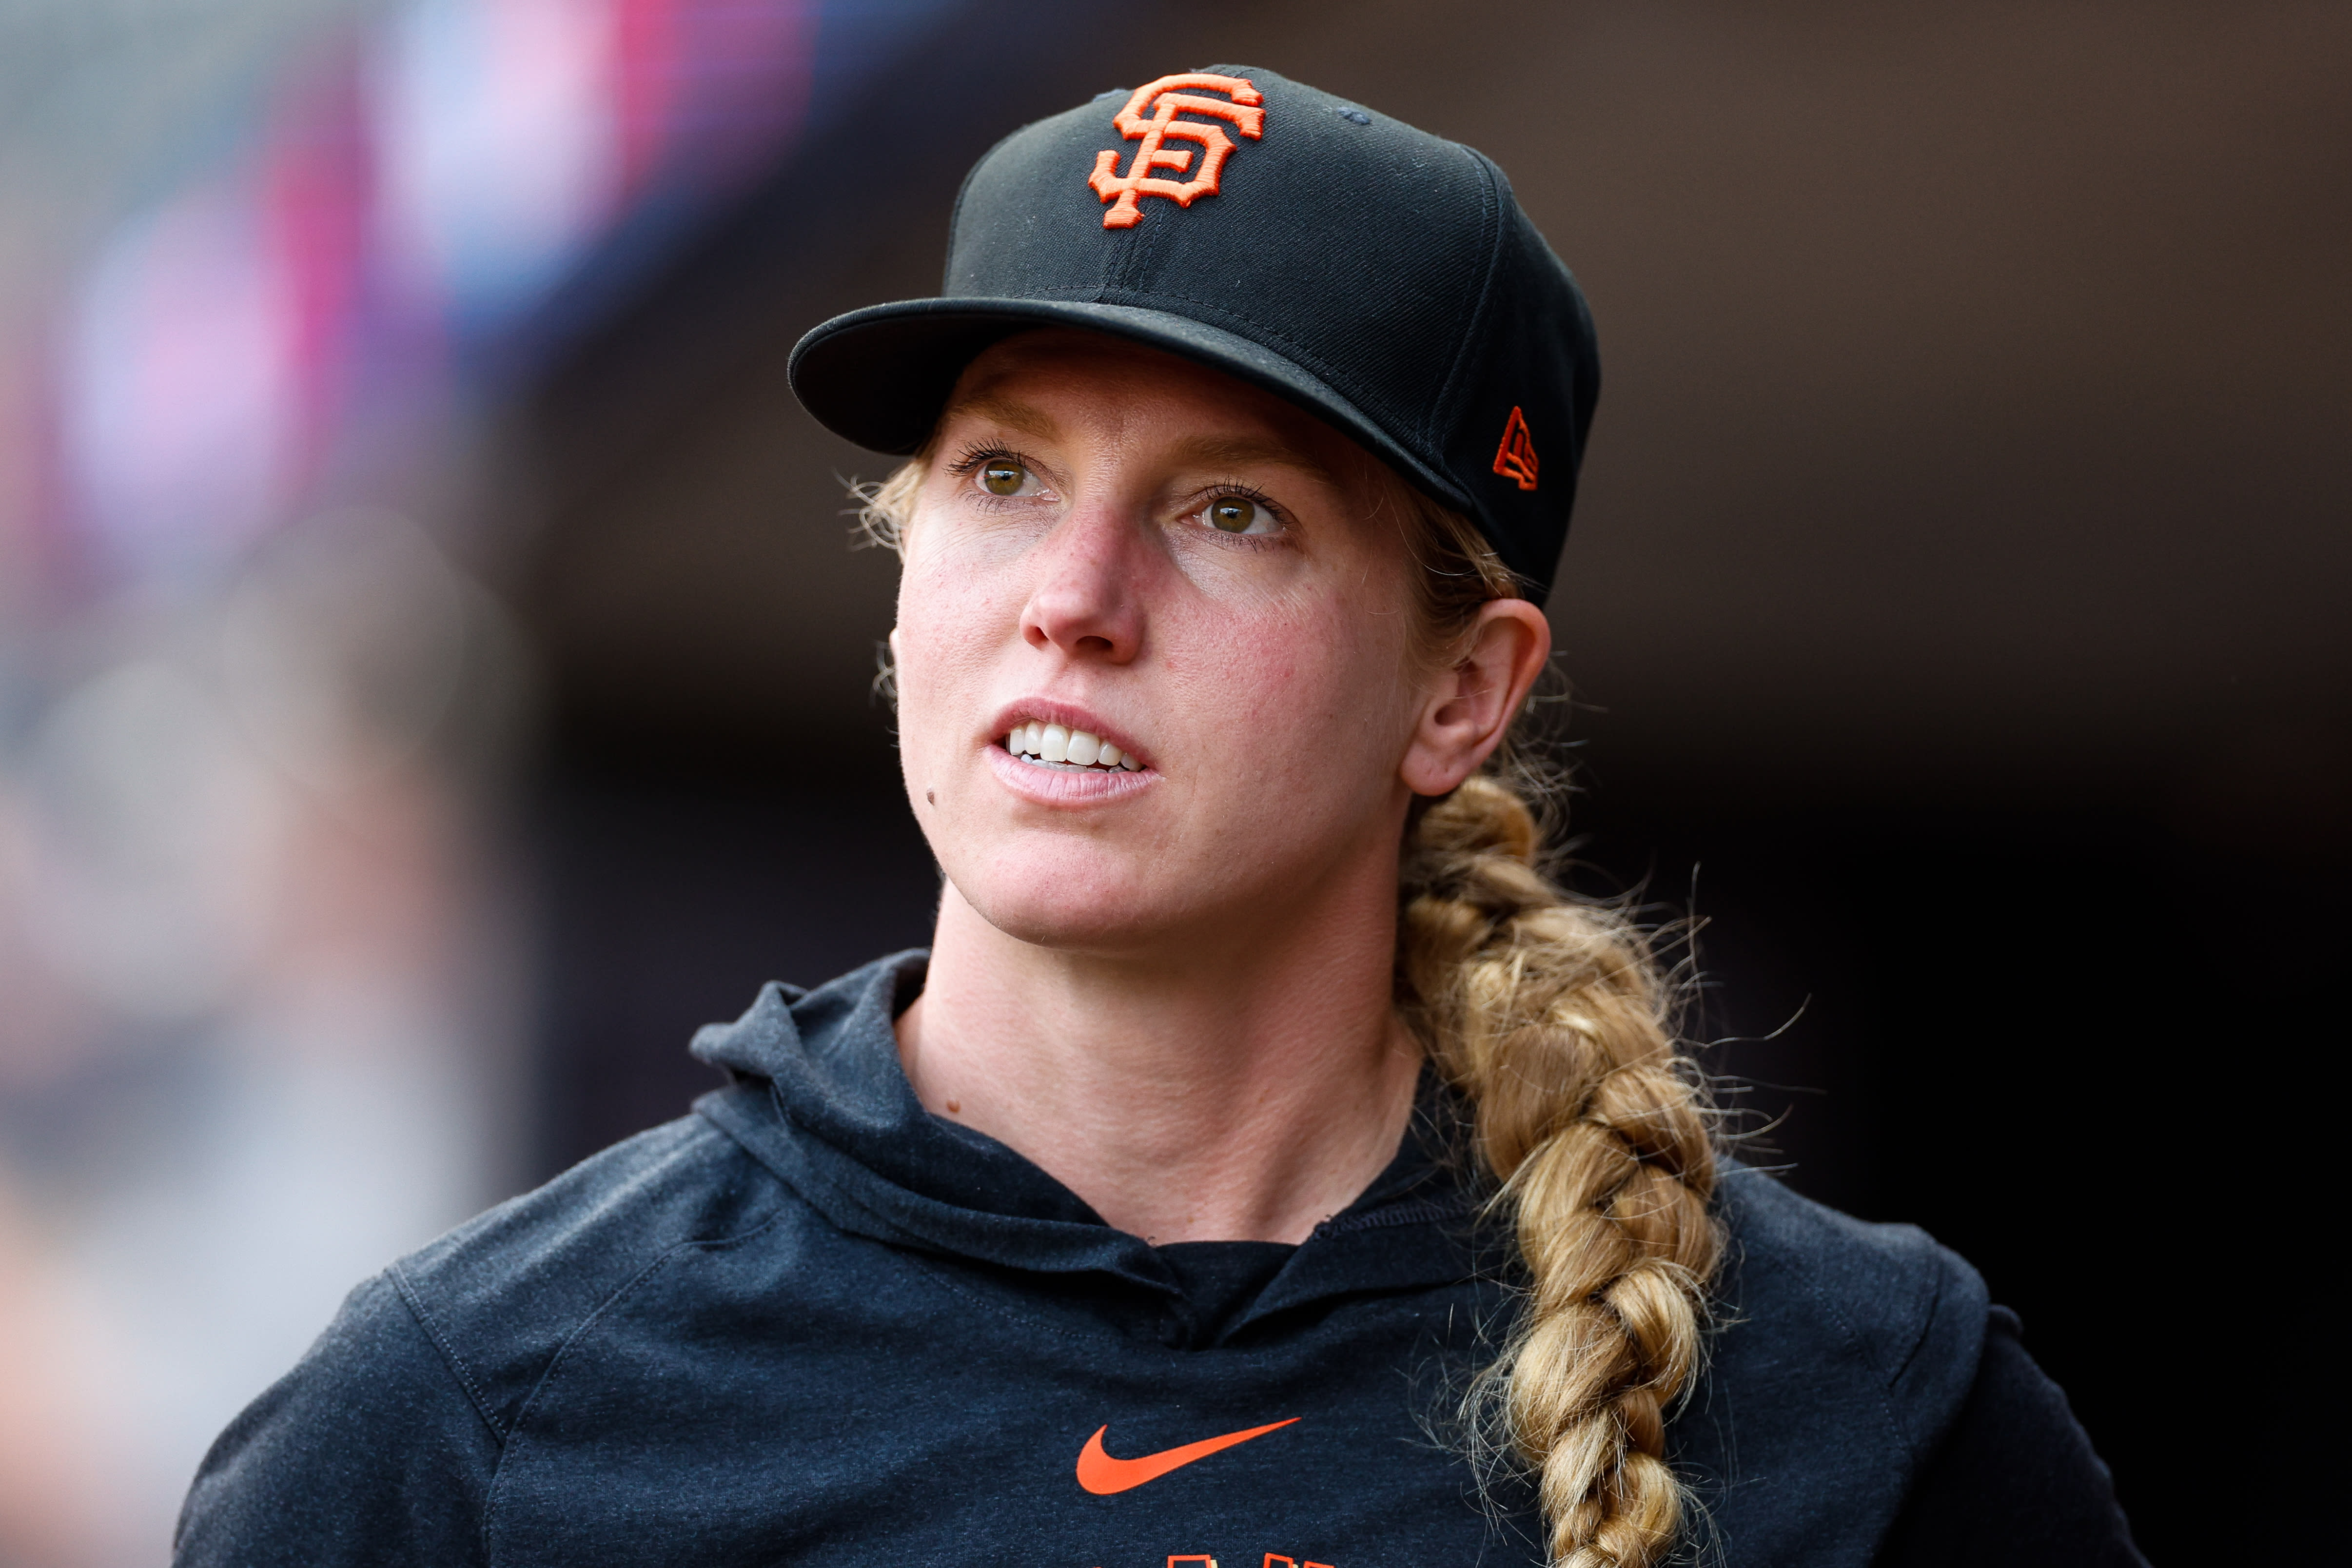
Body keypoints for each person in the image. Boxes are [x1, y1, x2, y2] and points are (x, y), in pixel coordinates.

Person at [174, 66, 2144, 1568]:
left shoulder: (1867, 1400)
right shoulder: (473, 1419)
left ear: (1461, 692)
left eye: (1233, 513)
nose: (1074, 597)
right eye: (1005, 474)